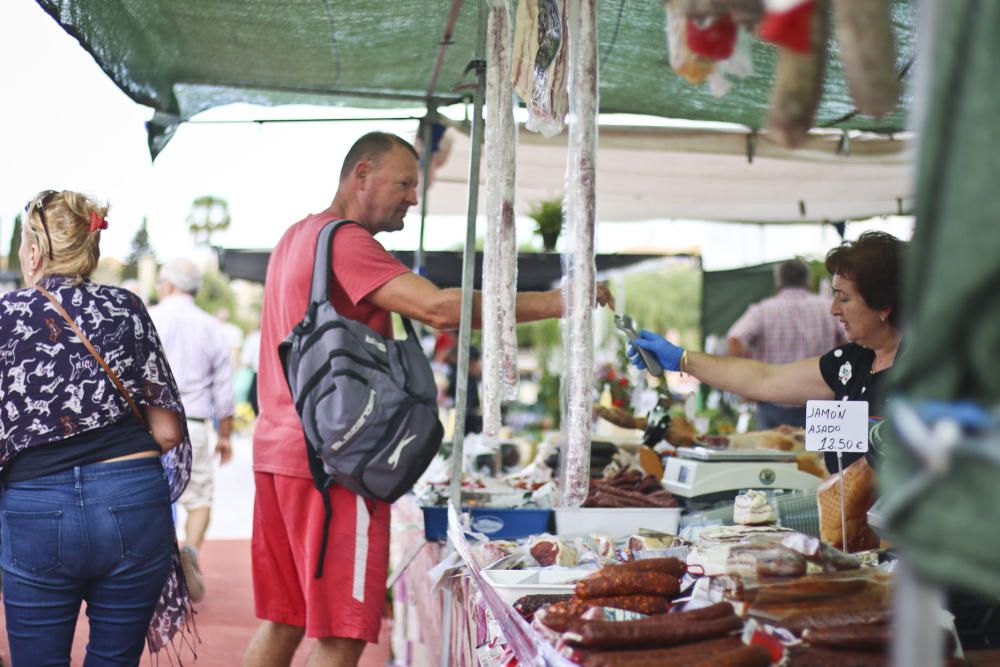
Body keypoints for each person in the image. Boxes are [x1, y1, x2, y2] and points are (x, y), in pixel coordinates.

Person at [244, 132, 614, 667]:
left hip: (280, 451)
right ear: (361, 174)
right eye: (404, 183)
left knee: (283, 621)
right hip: (336, 464)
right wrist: (561, 301)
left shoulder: (295, 238)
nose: (413, 197)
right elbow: (440, 309)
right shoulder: (346, 241)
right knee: (340, 633)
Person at [0, 190, 193, 664]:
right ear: (93, 248)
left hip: (35, 507)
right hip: (131, 500)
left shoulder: (5, 316)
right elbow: (168, 431)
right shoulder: (127, 308)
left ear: (33, 251)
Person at [629, 231, 904, 471]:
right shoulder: (853, 361)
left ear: (883, 305)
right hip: (846, 524)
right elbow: (765, 379)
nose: (833, 309)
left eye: (844, 298)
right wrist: (681, 359)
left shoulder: (921, 371)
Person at [150, 258, 235, 603]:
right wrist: (226, 434)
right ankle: (191, 552)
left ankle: (154, 569)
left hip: (152, 424)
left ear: (168, 284)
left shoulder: (149, 317)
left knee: (150, 498)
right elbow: (224, 389)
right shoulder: (212, 327)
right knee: (199, 499)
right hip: (195, 424)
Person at [726, 258, 845, 429]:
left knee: (772, 454)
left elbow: (734, 340)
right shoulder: (828, 308)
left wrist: (748, 387)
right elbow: (854, 340)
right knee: (819, 456)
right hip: (821, 405)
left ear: (779, 281)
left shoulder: (762, 310)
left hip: (773, 401)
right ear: (808, 280)